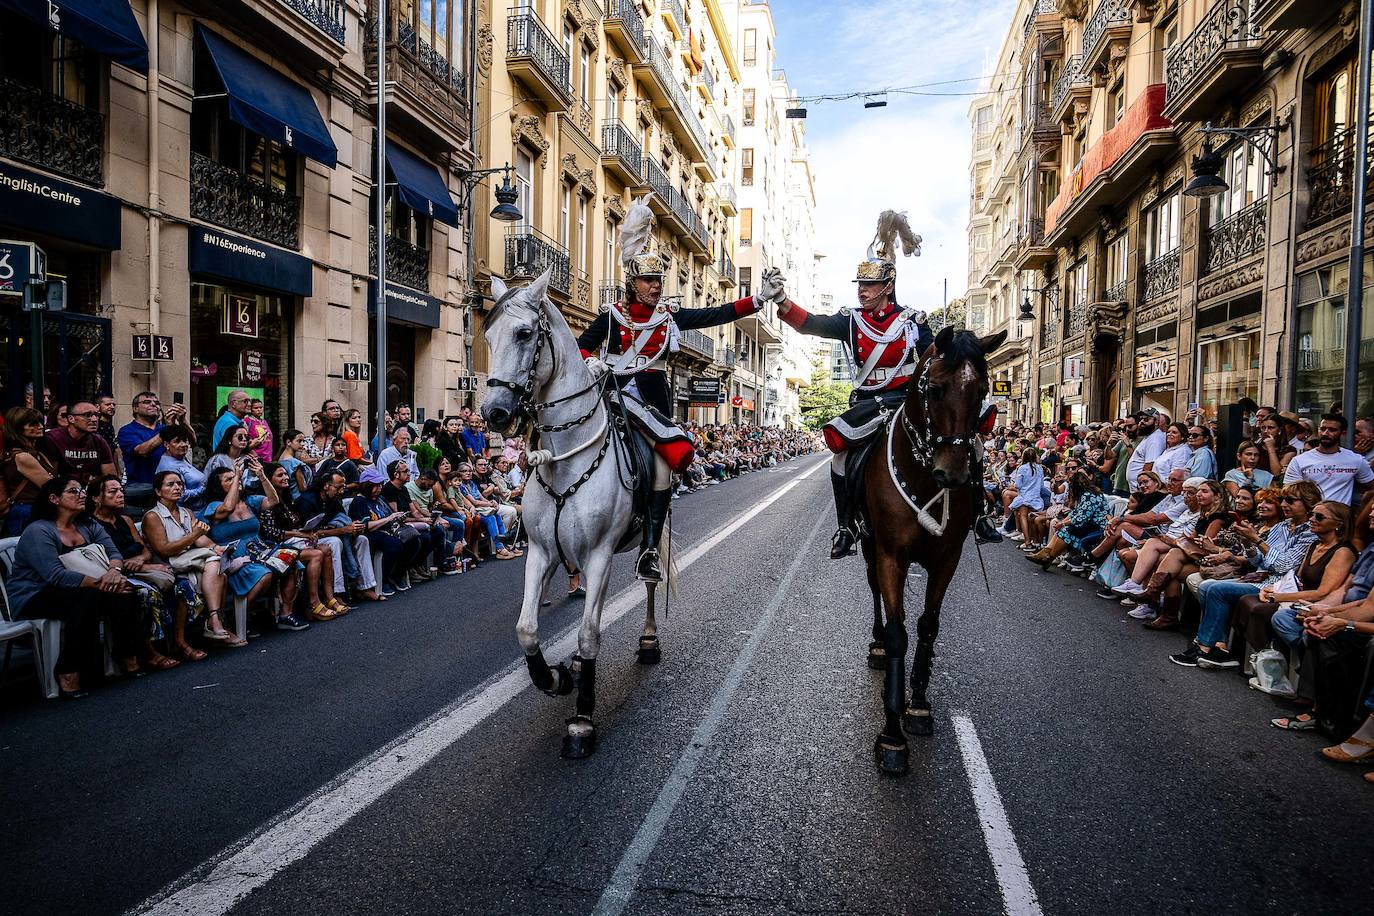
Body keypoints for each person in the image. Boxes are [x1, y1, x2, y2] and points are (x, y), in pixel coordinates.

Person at [576, 198, 782, 578]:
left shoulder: (669, 318)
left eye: (658, 281)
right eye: (648, 281)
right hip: (612, 403)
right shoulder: (612, 318)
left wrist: (758, 300)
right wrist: (590, 360)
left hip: (652, 409)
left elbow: (714, 313)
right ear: (632, 283)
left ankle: (650, 549)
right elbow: (581, 348)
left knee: (661, 469)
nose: (656, 287)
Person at [769, 210, 944, 556]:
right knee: (839, 458)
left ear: (888, 287)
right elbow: (811, 323)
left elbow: (933, 363)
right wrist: (782, 301)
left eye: (869, 285)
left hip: (904, 402)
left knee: (956, 442)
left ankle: (978, 516)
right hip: (867, 404)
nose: (862, 292)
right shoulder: (851, 322)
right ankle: (846, 526)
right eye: (860, 285)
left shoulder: (913, 323)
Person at [7, 476, 146, 696]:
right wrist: (102, 584)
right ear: (54, 499)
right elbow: (55, 575)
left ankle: (124, 656)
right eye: (73, 491)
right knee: (86, 599)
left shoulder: (87, 524)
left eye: (81, 490)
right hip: (34, 594)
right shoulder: (39, 531)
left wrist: (114, 573)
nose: (81, 495)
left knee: (126, 593)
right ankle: (68, 669)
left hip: (85, 585)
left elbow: (114, 553)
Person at [1185, 481, 1322, 668]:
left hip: (1279, 584)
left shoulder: (1309, 533)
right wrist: (1248, 543)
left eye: (1290, 501)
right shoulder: (1283, 526)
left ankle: (1204, 647)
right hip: (1262, 576)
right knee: (1206, 586)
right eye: (1283, 500)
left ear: (1308, 503)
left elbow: (1283, 566)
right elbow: (1257, 561)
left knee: (1216, 589)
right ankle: (1218, 646)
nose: (1284, 505)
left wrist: (1256, 539)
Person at [86, 475, 184, 671]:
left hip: (137, 569)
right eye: (112, 492)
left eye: (120, 490)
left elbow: (144, 548)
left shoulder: (125, 520)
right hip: (114, 574)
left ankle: (175, 642)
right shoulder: (90, 525)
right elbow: (100, 561)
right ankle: (146, 650)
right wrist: (147, 567)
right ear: (96, 498)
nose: (120, 495)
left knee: (181, 585)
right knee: (146, 594)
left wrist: (141, 559)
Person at [200, 461, 309, 631]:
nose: (235, 481)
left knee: (292, 561)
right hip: (236, 557)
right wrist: (237, 475)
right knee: (263, 575)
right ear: (217, 486)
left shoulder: (249, 501)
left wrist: (262, 475)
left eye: (235, 478)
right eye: (228, 479)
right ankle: (237, 617)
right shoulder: (214, 506)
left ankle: (285, 615)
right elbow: (228, 507)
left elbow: (273, 500)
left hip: (261, 550)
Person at [141, 469, 241, 656]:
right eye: (170, 484)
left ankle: (214, 624)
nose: (177, 487)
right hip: (168, 565)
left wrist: (215, 547)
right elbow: (164, 550)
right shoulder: (152, 517)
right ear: (158, 491)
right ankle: (210, 625)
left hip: (190, 561)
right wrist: (194, 535)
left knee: (218, 565)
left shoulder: (186, 512)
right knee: (213, 566)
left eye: (179, 484)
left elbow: (201, 541)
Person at [260, 462, 349, 621]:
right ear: (268, 479)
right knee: (316, 554)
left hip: (294, 540)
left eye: (286, 474)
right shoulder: (265, 502)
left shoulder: (287, 499)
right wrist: (301, 534)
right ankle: (313, 603)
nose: (286, 477)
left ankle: (329, 597)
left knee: (327, 549)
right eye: (280, 475)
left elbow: (296, 524)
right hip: (276, 547)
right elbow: (272, 533)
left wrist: (308, 532)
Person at [296, 469, 381, 601]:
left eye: (343, 487)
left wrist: (353, 527)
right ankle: (337, 592)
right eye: (338, 487)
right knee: (335, 542)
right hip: (308, 539)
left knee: (362, 539)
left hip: (331, 534)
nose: (342, 491)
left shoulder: (334, 499)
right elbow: (308, 532)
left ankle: (365, 586)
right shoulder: (307, 500)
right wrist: (342, 530)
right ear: (326, 485)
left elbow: (342, 522)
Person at [348, 467, 424, 594]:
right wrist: (388, 519)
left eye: (380, 485)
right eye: (375, 486)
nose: (379, 489)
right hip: (371, 534)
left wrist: (398, 516)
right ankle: (384, 579)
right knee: (394, 544)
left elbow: (390, 515)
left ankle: (397, 574)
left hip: (388, 530)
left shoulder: (380, 499)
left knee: (415, 540)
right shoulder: (359, 501)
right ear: (366, 486)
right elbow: (365, 526)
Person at [1284, 414, 1374, 505]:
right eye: (1322, 429)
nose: (1325, 433)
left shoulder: (1355, 459)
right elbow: (1290, 492)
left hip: (1340, 515)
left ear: (1343, 433)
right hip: (1310, 514)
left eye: (1332, 430)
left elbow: (1371, 486)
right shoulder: (1299, 461)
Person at [381, 459, 447, 580]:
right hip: (398, 525)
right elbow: (397, 517)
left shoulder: (404, 488)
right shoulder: (389, 489)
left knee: (438, 531)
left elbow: (414, 511)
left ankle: (418, 564)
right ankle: (409, 567)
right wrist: (421, 521)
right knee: (424, 537)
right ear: (396, 474)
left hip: (411, 522)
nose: (409, 473)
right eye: (405, 471)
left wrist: (427, 519)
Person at [1, 406, 55, 535]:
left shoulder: (35, 453)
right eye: (33, 424)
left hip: (31, 509)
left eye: (40, 422)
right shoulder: (22, 456)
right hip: (27, 510)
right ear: (18, 428)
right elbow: (50, 486)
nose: (40, 426)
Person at [117, 391, 186, 488]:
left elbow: (192, 441)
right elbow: (142, 451)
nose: (153, 404)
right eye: (147, 402)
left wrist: (183, 420)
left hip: (169, 487)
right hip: (142, 487)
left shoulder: (164, 428)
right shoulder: (127, 430)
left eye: (157, 403)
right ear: (135, 408)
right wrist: (167, 429)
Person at [40, 401, 116, 485]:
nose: (94, 419)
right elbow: (51, 477)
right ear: (71, 418)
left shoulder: (99, 441)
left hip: (90, 491)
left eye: (96, 415)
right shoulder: (53, 439)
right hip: (62, 491)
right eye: (87, 415)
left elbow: (111, 478)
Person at [154, 425, 207, 506]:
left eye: (185, 441)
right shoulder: (169, 466)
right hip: (190, 513)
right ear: (166, 445)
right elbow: (180, 495)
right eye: (177, 441)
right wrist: (203, 489)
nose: (183, 445)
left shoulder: (180, 458)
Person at [203, 426, 256, 490]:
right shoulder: (218, 459)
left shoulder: (247, 459)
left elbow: (251, 486)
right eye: (240, 437)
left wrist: (255, 474)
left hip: (243, 494)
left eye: (246, 437)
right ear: (229, 440)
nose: (244, 439)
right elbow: (206, 481)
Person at [1125, 410, 1168, 489]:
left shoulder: (1155, 439)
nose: (1141, 422)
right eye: (1140, 419)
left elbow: (1149, 464)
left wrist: (1142, 484)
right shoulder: (1149, 436)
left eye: (1146, 420)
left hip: (1142, 488)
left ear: (1156, 422)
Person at [276, 429, 312, 499]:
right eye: (299, 441)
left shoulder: (281, 459)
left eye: (303, 441)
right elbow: (303, 488)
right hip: (298, 499)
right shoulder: (294, 463)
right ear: (289, 442)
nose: (302, 444)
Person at [244, 398, 274, 463]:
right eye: (256, 408)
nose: (259, 410)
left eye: (261, 407)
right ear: (251, 409)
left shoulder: (264, 421)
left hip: (268, 458)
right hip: (255, 458)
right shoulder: (247, 421)